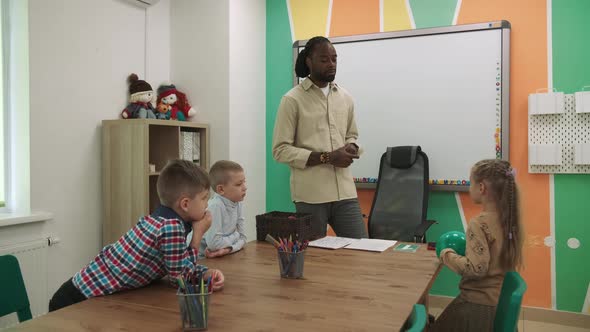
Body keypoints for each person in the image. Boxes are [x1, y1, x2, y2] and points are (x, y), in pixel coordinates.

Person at [48, 160, 224, 312]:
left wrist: (206, 273)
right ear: (185, 203)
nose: (207, 204)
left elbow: (176, 263)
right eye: (204, 198)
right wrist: (198, 234)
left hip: (81, 293)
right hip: (76, 299)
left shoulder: (162, 220)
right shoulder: (171, 227)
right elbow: (179, 278)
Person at [272, 36, 367, 239]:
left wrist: (351, 146)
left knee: (361, 252)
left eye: (334, 59)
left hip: (345, 192)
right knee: (315, 259)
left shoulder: (345, 97)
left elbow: (352, 134)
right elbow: (280, 150)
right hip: (310, 196)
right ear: (309, 61)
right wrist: (329, 157)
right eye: (324, 59)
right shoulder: (292, 100)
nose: (331, 64)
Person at [431, 159, 524, 331]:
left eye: (470, 182)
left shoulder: (479, 224)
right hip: (496, 302)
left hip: (476, 306)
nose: (469, 188)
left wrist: (446, 254)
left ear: (481, 188)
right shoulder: (509, 219)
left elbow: (475, 269)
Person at [188, 160, 247, 259]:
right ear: (221, 190)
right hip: (198, 259)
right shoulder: (215, 206)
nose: (245, 187)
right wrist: (236, 236)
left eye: (244, 182)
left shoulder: (238, 202)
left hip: (217, 257)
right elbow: (214, 245)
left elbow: (244, 238)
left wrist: (227, 249)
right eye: (238, 184)